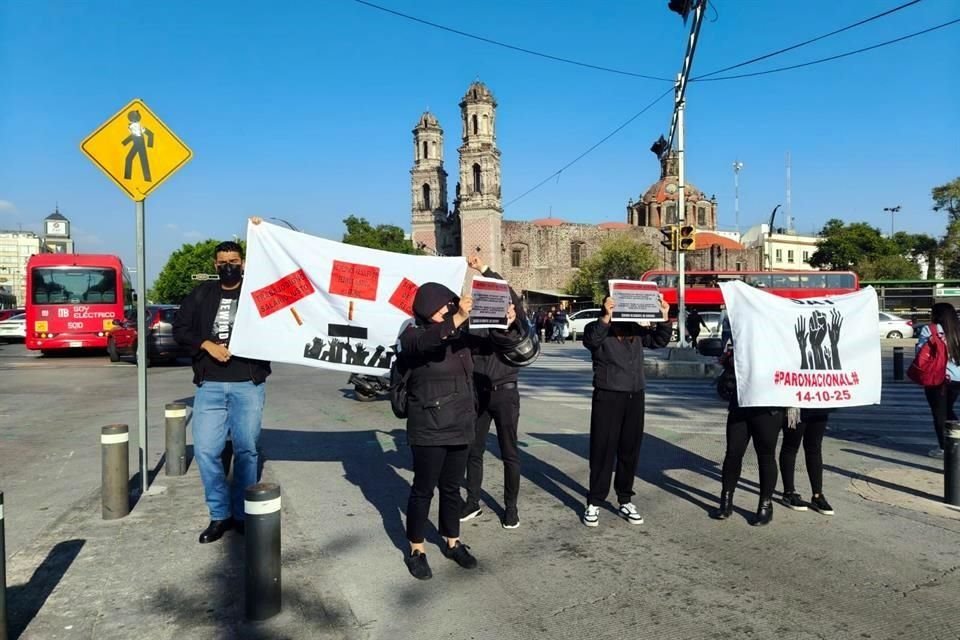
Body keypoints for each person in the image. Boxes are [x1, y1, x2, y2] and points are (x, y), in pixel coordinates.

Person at [399, 283, 518, 580]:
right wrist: (458, 318)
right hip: (429, 426)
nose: (449, 309)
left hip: (461, 424)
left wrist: (505, 324)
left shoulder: (460, 336)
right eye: (443, 305)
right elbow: (425, 344)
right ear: (427, 307)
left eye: (450, 305)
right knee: (423, 489)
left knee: (451, 488)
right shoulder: (412, 334)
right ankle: (416, 549)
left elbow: (494, 346)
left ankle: (452, 542)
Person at [173, 225, 271, 544]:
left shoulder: (257, 293)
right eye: (223, 262)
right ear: (215, 265)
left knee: (246, 450)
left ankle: (242, 514)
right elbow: (180, 328)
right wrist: (206, 345)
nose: (229, 266)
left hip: (247, 384)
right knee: (205, 450)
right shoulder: (202, 294)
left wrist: (262, 231)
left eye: (234, 261)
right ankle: (219, 514)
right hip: (210, 385)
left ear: (243, 263)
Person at [581, 294, 671, 527]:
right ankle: (595, 501)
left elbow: (659, 341)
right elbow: (591, 341)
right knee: (602, 450)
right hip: (608, 395)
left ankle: (625, 499)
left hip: (635, 395)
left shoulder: (635, 330)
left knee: (629, 450)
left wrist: (664, 316)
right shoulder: (597, 327)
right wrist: (606, 316)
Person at [460, 256, 527, 529]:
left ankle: (511, 508)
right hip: (478, 393)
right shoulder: (473, 324)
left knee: (509, 453)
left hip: (505, 393)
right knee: (473, 451)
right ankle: (472, 501)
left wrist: (484, 269)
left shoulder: (512, 322)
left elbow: (509, 294)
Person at [710, 343, 785, 526]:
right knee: (733, 453)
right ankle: (726, 501)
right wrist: (729, 359)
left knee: (766, 456)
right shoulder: (744, 334)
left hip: (769, 405)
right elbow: (727, 361)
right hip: (741, 402)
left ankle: (765, 505)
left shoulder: (780, 338)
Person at [917, 302, 960, 459]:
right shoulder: (957, 329)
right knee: (948, 409)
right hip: (956, 378)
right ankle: (955, 441)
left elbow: (920, 352)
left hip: (937, 378)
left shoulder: (930, 329)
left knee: (939, 413)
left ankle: (944, 448)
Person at [779, 409, 835, 515]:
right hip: (795, 408)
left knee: (814, 448)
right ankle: (789, 492)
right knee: (790, 446)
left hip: (819, 407)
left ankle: (817, 495)